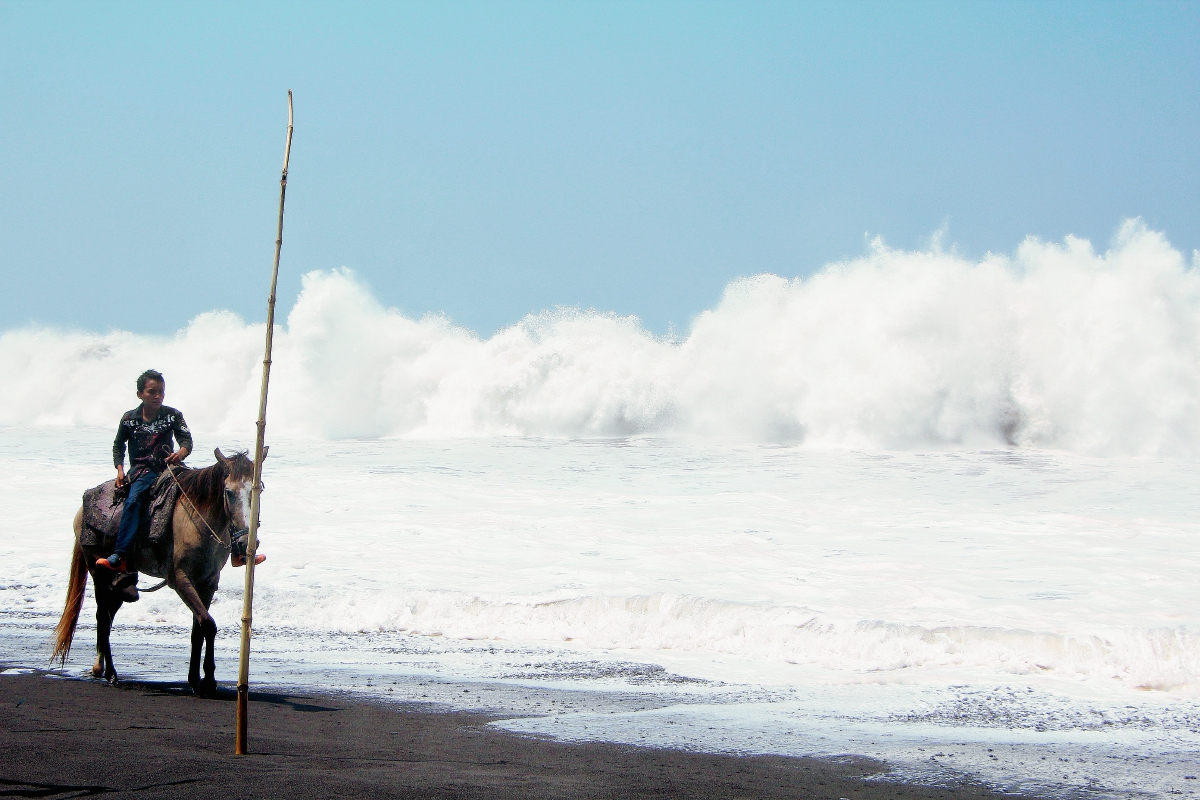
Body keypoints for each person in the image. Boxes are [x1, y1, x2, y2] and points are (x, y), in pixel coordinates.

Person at [97, 370, 193, 572]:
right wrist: (120, 470)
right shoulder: (129, 419)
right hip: (142, 472)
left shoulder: (173, 415)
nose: (158, 396)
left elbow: (186, 441)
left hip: (169, 469)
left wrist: (180, 454)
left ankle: (237, 549)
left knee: (206, 490)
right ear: (140, 394)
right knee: (133, 502)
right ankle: (121, 554)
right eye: (152, 392)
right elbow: (118, 446)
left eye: (161, 392)